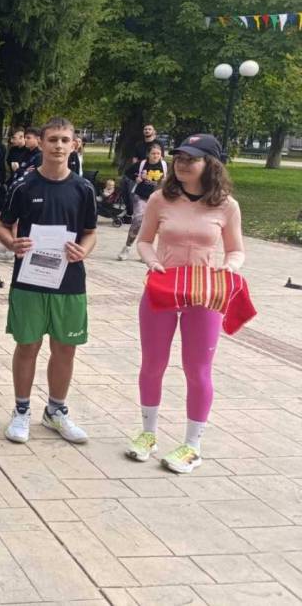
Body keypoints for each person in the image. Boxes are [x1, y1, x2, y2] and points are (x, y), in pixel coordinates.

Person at [125, 134, 244, 474]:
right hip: (162, 290)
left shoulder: (227, 206)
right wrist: (151, 261)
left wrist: (230, 267)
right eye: (179, 158)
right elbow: (144, 241)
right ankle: (148, 434)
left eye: (192, 159)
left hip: (204, 295)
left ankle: (193, 445)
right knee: (153, 363)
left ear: (211, 165)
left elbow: (236, 250)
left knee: (197, 369)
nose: (182, 164)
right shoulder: (160, 198)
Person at [0, 117, 97, 444]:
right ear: (40, 143)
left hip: (69, 282)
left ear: (74, 144)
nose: (58, 145)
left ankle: (55, 411)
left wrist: (83, 251)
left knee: (65, 348)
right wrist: (12, 244)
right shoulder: (23, 186)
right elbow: (4, 226)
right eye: (52, 139)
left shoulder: (84, 188)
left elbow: (90, 232)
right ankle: (21, 410)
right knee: (28, 345)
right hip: (29, 280)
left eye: (65, 140)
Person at [117, 143, 167, 260]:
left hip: (157, 198)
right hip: (141, 196)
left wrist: (166, 181)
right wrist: (136, 178)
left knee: (153, 225)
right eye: (153, 153)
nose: (156, 156)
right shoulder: (142, 164)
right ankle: (127, 247)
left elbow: (174, 179)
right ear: (148, 154)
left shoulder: (165, 165)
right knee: (138, 220)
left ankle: (146, 252)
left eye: (158, 154)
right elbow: (128, 172)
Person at [121, 123, 165, 222]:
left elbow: (161, 158)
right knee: (130, 190)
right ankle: (130, 212)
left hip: (154, 176)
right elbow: (134, 159)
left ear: (154, 131)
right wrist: (137, 174)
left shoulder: (159, 144)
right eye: (145, 129)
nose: (147, 131)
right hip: (141, 173)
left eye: (149, 129)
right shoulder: (139, 144)